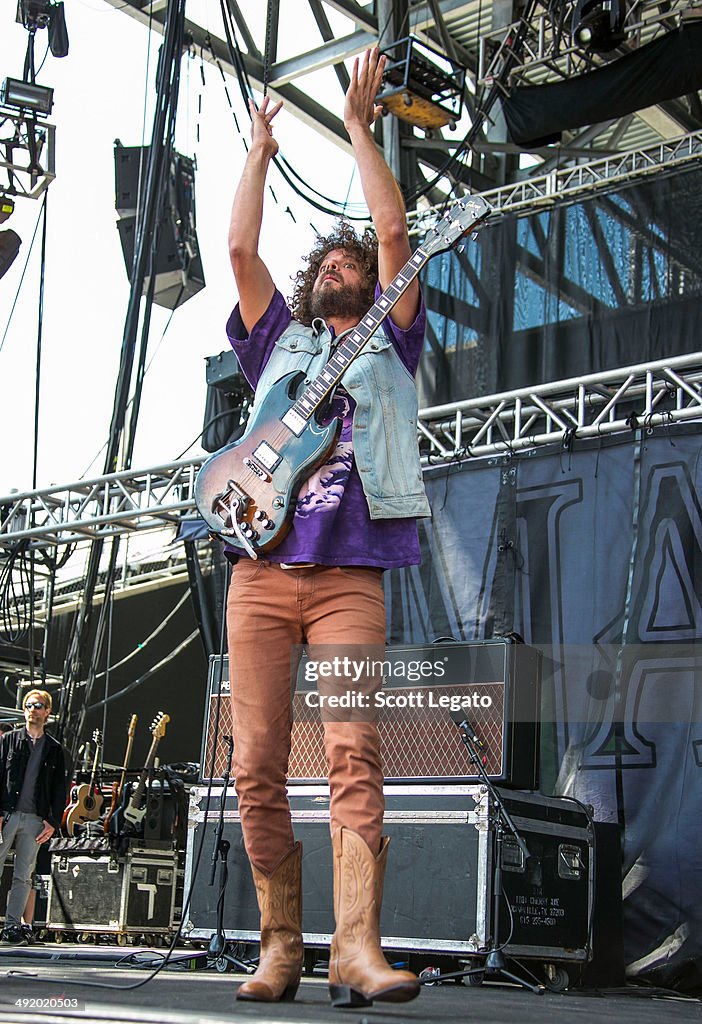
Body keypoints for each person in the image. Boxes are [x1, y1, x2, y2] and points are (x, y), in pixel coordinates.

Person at [223, 48, 430, 1008]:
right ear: (313, 287)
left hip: (352, 571)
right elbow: (238, 253)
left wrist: (355, 126)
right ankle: (279, 946)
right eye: (334, 262)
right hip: (261, 571)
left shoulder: (391, 332)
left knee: (355, 747)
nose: (348, 265)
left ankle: (355, 947)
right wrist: (260, 152)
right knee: (256, 758)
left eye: (356, 263)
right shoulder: (279, 338)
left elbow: (393, 226)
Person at [0, 689, 67, 946]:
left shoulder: (54, 749)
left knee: (23, 875)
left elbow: (59, 789)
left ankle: (12, 927)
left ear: (47, 711)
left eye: (38, 706)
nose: (33, 710)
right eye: (29, 705)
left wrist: (52, 821)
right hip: (7, 814)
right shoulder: (9, 740)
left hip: (34, 819)